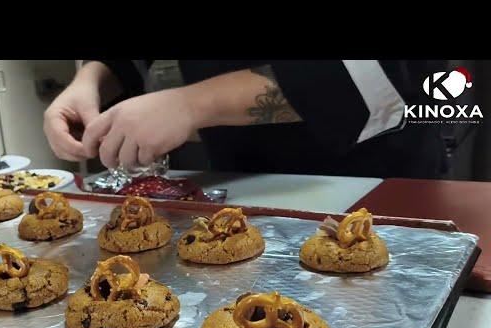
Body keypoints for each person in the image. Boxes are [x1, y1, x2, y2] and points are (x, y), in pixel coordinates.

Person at [44, 60, 448, 178]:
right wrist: (90, 78)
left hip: (369, 182)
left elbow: (367, 75)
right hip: (240, 180)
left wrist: (191, 105)